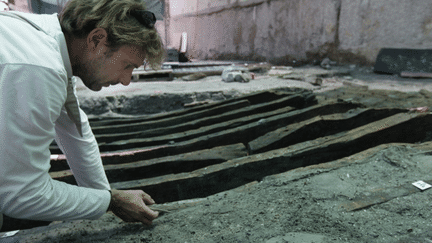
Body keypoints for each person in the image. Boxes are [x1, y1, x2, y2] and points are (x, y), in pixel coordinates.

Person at [0, 0, 165, 229]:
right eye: (127, 65)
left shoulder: (44, 42)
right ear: (97, 40)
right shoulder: (38, 67)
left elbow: (76, 129)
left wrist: (106, 197)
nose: (126, 80)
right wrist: (110, 201)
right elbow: (22, 194)